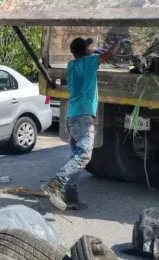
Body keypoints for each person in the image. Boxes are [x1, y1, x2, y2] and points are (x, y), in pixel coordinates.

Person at [41, 36, 127, 211]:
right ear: (85, 51)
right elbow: (109, 55)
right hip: (82, 117)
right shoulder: (88, 63)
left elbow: (87, 56)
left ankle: (71, 197)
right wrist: (119, 42)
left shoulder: (72, 65)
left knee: (75, 157)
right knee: (84, 156)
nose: (92, 48)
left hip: (72, 117)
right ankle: (55, 184)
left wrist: (92, 52)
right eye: (89, 47)